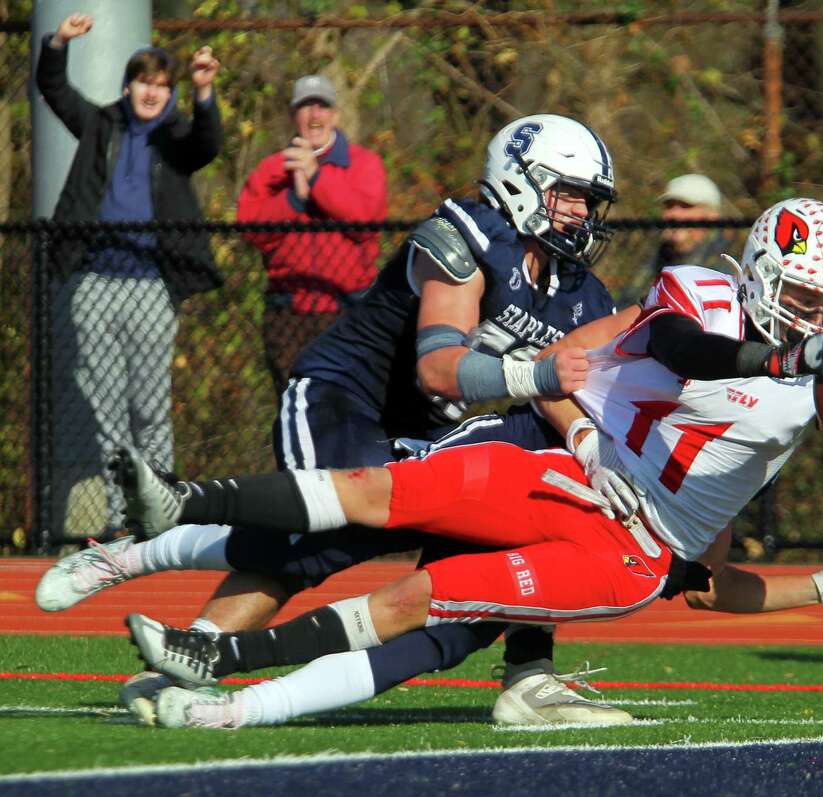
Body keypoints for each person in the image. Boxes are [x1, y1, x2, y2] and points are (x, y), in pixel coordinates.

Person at [114, 198, 823, 729]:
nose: (822, 319)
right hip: (568, 468)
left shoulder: (809, 387)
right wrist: (780, 363)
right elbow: (688, 350)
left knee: (423, 603)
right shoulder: (701, 292)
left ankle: (227, 689)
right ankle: (179, 508)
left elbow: (713, 576)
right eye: (810, 300)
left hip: (627, 547)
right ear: (766, 273)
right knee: (377, 495)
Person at [36, 114, 626, 727]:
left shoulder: (581, 291)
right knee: (325, 539)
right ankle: (146, 561)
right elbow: (441, 368)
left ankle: (529, 674)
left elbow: (564, 383)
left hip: (427, 430)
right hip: (343, 398)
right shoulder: (464, 238)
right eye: (571, 195)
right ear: (521, 183)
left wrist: (583, 437)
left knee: (515, 510)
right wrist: (536, 377)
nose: (582, 214)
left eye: (589, 201)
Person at [37, 14, 223, 539]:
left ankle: (160, 505)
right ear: (127, 85)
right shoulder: (100, 125)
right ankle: (124, 516)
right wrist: (59, 43)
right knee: (107, 406)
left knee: (148, 404)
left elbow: (207, 146)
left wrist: (205, 91)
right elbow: (52, 87)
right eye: (145, 81)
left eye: (164, 86)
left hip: (151, 287)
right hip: (94, 280)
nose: (153, 92)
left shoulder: (176, 136)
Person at [237, 74, 388, 395]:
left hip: (349, 311)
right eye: (306, 107)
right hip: (289, 315)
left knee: (351, 406)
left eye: (322, 107)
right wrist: (293, 199)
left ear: (335, 115)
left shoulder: (364, 164)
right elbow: (250, 230)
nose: (314, 115)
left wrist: (317, 179)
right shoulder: (272, 169)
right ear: (294, 116)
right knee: (296, 409)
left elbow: (365, 224)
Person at [616, 173, 729, 306]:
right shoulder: (658, 258)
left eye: (686, 206)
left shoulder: (723, 271)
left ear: (711, 216)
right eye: (669, 206)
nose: (673, 215)